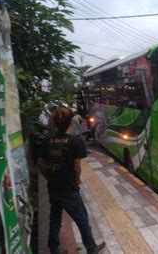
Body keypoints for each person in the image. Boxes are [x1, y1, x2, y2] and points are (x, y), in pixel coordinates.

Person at [38, 107, 105, 254]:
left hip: (53, 187)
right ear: (70, 122)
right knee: (82, 219)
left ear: (54, 122)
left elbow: (41, 162)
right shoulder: (75, 141)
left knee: (55, 217)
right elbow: (77, 167)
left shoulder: (47, 140)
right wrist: (77, 181)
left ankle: (54, 248)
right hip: (68, 187)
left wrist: (48, 176)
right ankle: (91, 248)